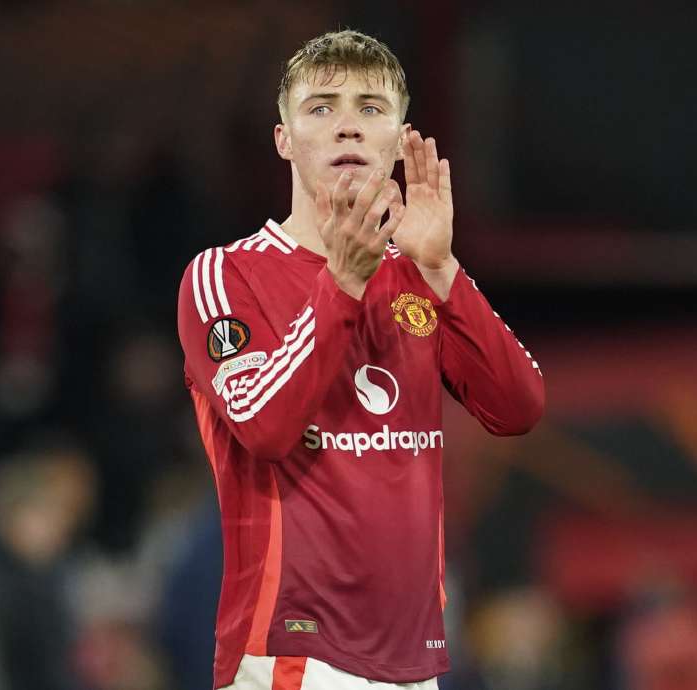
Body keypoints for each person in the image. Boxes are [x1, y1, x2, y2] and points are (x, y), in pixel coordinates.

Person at [176, 30, 545, 690]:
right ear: (284, 139)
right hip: (291, 655)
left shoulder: (417, 278)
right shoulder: (224, 275)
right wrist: (341, 284)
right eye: (321, 108)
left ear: (399, 137)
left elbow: (519, 407)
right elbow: (262, 426)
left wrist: (442, 268)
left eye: (370, 109)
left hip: (413, 659)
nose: (347, 125)